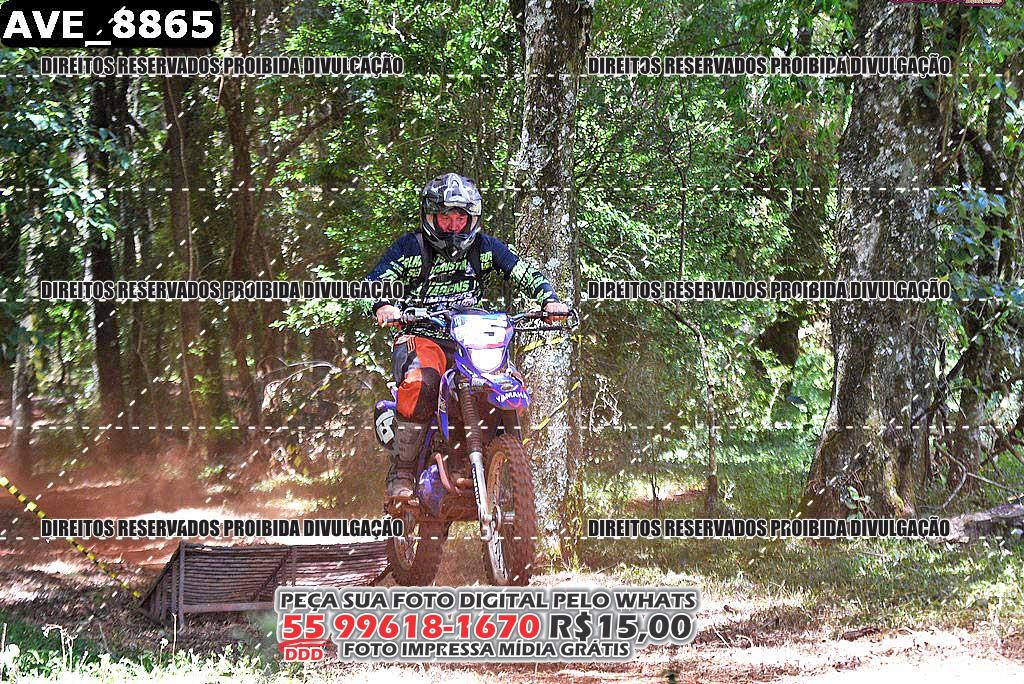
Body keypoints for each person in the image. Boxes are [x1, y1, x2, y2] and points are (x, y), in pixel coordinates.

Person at [367, 172, 569, 500]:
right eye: (445, 218)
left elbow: (521, 271)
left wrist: (548, 299)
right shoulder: (410, 247)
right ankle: (403, 469)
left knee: (508, 382)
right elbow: (376, 280)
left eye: (460, 218)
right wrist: (384, 305)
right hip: (422, 333)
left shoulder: (484, 247)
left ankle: (504, 465)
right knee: (422, 382)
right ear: (431, 217)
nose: (453, 226)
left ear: (471, 219)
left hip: (470, 337)